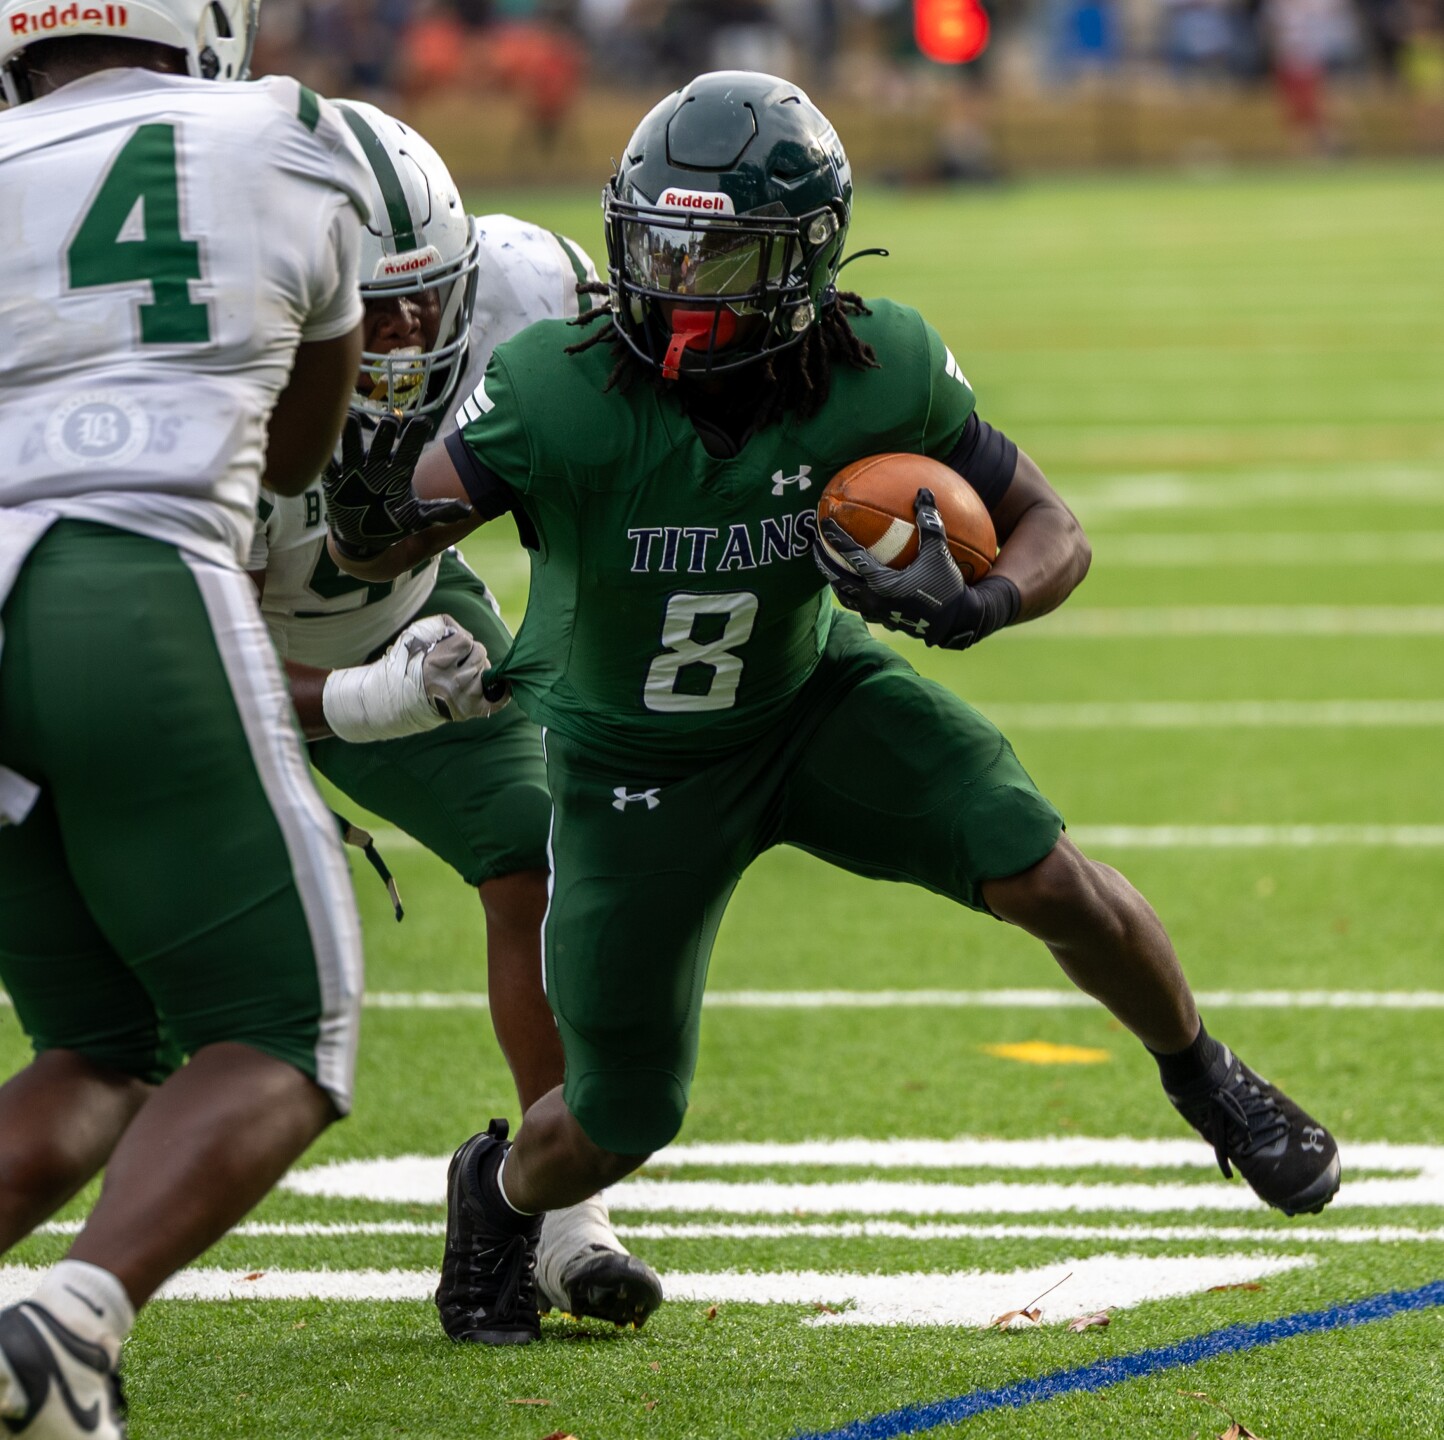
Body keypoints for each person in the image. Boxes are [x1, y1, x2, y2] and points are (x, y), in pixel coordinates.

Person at [324, 71, 1343, 1343]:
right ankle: (498, 1193)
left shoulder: (883, 361)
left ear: (804, 260)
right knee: (619, 1115)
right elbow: (391, 529)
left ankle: (1211, 1080)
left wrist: (984, 605)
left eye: (723, 252)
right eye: (659, 244)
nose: (682, 283)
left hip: (812, 703)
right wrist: (363, 487)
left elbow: (1050, 527)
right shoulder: (559, 383)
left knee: (1041, 870)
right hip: (633, 768)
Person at [0, 6, 372, 1435]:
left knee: (93, 1041)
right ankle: (69, 1330)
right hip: (130, 565)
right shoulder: (281, 130)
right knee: (285, 1026)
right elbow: (297, 442)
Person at [250, 100, 662, 1339]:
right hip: (214, 666)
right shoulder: (205, 375)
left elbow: (606, 476)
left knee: (551, 846)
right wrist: (370, 700)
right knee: (161, 1004)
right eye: (361, 310)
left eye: (419, 303)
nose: (392, 341)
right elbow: (162, 647)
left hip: (414, 610)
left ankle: (562, 1213)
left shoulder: (527, 300)